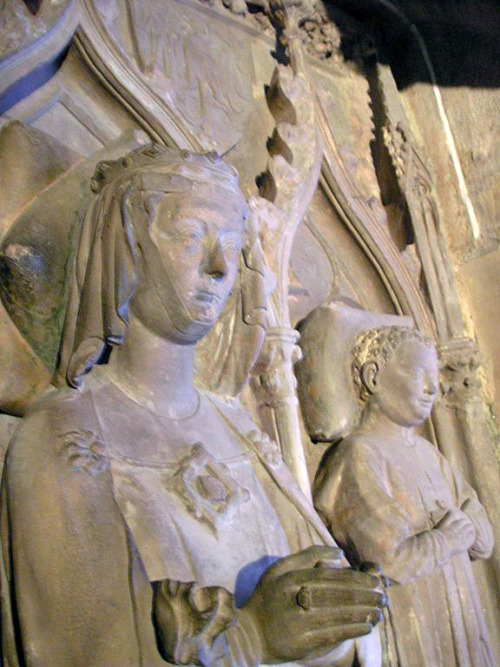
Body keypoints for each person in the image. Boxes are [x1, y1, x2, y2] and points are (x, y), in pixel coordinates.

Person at [0, 146, 385, 666]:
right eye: (189, 237)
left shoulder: (235, 423)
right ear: (127, 249)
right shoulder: (67, 433)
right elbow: (86, 647)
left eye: (231, 244)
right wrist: (253, 638)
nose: (220, 267)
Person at [313, 326, 494, 666]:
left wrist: (459, 532)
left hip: (461, 618)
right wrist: (446, 539)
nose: (432, 388)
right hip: (414, 624)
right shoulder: (358, 454)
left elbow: (482, 540)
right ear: (373, 378)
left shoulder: (429, 455)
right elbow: (388, 560)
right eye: (417, 374)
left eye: (435, 376)